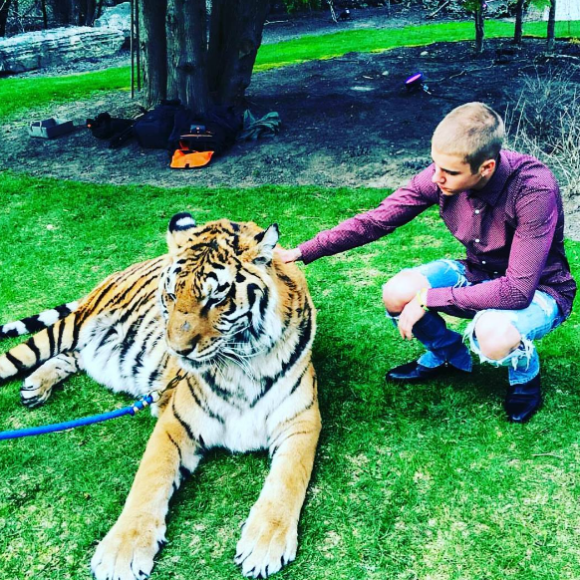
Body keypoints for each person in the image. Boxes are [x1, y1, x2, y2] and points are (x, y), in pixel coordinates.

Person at [276, 102, 576, 423]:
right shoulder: (441, 175)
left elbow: (517, 291)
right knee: (397, 292)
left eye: (449, 172)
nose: (436, 178)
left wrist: (429, 299)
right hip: (477, 274)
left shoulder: (533, 189)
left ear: (486, 168)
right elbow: (377, 220)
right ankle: (448, 354)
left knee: (493, 334)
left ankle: (524, 373)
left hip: (539, 292)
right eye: (434, 165)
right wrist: (303, 251)